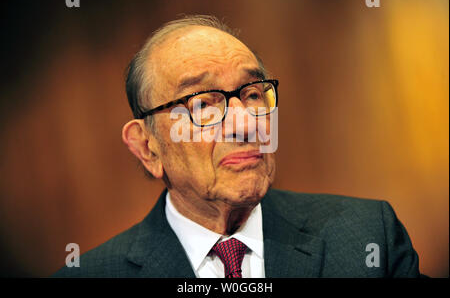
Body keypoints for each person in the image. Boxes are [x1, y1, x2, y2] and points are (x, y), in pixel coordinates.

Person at [52, 15, 423, 278]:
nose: (246, 124)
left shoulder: (367, 239)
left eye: (252, 94)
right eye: (202, 104)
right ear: (148, 148)